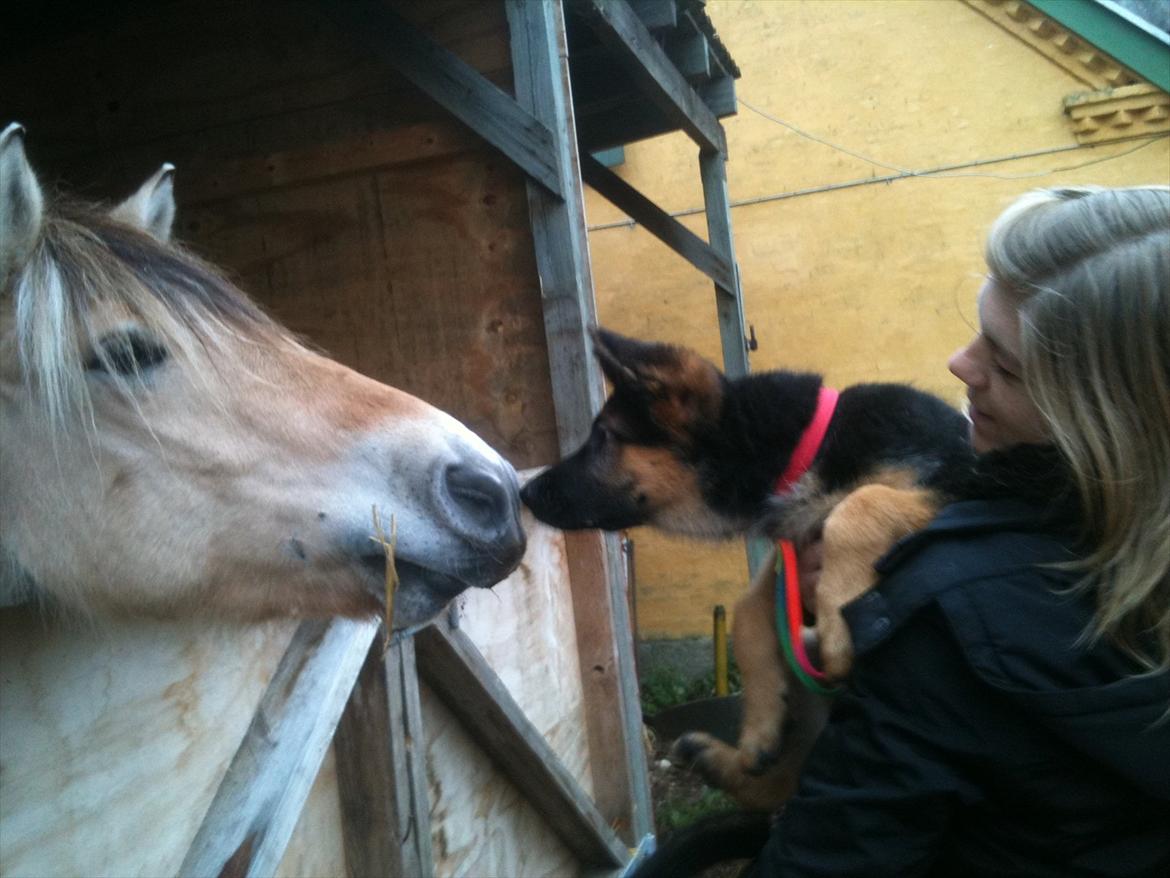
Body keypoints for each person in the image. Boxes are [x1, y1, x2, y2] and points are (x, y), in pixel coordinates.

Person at [734, 186, 1170, 877]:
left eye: (1004, 366)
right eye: (978, 335)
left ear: (1111, 418)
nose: (960, 367)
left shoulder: (952, 611)